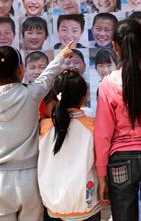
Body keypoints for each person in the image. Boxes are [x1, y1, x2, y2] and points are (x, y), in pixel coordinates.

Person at [0, 44, 73, 220]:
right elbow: (47, 76)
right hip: (31, 181)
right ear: (21, 69)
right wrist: (62, 55)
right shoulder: (31, 94)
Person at [94, 19, 141, 220]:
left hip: (120, 160)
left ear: (115, 47)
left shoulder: (108, 85)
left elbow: (102, 135)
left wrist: (101, 176)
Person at [38, 70, 102, 220]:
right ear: (84, 97)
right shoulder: (92, 127)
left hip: (53, 203)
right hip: (86, 204)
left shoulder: (44, 127)